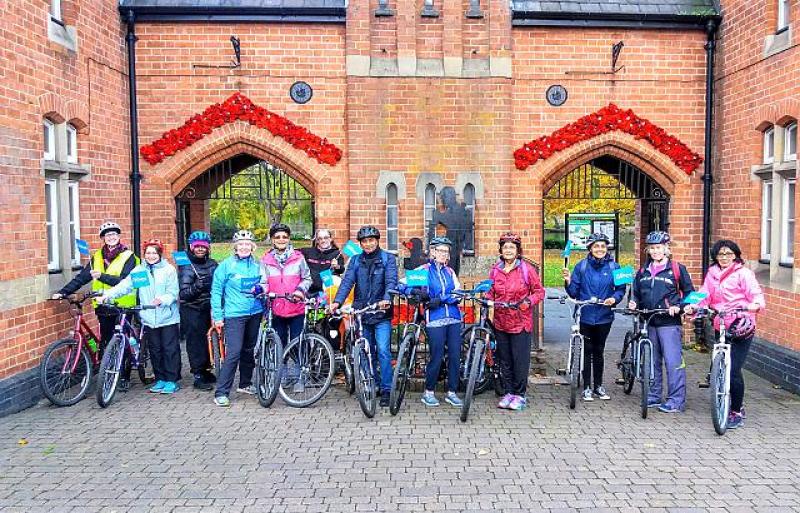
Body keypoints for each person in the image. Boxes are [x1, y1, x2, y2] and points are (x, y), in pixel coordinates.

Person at [684, 240, 764, 429]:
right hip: (721, 323)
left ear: (736, 255)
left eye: (729, 254)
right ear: (715, 257)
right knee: (721, 363)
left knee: (734, 370)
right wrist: (691, 305)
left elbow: (756, 294)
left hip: (741, 324)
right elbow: (704, 293)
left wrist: (754, 305)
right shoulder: (712, 274)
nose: (725, 258)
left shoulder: (744, 273)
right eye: (721, 254)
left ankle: (736, 410)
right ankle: (718, 383)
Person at [100, 239, 181, 394]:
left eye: (154, 253)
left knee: (169, 349)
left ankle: (172, 380)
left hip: (167, 316)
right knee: (155, 349)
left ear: (159, 254)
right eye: (148, 253)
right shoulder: (139, 271)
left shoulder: (168, 270)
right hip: (149, 317)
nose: (151, 256)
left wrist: (162, 300)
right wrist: (106, 296)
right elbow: (124, 286)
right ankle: (160, 379)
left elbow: (173, 292)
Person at [329, 226, 398, 407]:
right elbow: (347, 282)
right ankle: (371, 384)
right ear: (360, 244)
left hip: (381, 312)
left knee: (383, 351)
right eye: (364, 241)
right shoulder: (356, 261)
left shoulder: (387, 259)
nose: (368, 244)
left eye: (371, 240)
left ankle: (387, 389)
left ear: (377, 240)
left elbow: (391, 281)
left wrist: (386, 299)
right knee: (368, 352)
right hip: (362, 313)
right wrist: (337, 302)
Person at [628, 231, 695, 413]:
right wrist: (633, 303)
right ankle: (654, 395)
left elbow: (690, 293)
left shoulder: (676, 269)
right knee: (652, 361)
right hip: (648, 321)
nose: (655, 251)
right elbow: (635, 292)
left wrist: (680, 307)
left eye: (659, 248)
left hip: (669, 323)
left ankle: (676, 400)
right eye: (652, 248)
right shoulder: (643, 271)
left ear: (667, 249)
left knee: (673, 362)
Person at [52, 221, 139, 352]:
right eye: (107, 235)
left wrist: (101, 276)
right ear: (103, 238)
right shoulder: (97, 256)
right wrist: (63, 292)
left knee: (121, 341)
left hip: (122, 306)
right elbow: (81, 278)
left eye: (114, 234)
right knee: (106, 339)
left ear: (119, 236)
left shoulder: (129, 256)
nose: (111, 237)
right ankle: (106, 370)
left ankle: (123, 371)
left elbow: (124, 282)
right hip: (103, 306)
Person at [400, 237, 463, 408]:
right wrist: (416, 292)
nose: (444, 254)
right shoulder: (424, 270)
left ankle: (452, 392)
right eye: (440, 251)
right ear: (432, 252)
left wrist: (441, 299)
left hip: (454, 319)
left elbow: (458, 294)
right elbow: (401, 284)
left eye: (446, 251)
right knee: (436, 355)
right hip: (434, 319)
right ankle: (429, 392)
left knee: (455, 356)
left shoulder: (450, 272)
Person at [562, 232, 626, 402]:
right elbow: (574, 293)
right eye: (596, 246)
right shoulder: (581, 267)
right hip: (585, 315)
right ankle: (587, 386)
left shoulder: (615, 267)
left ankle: (598, 386)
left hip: (605, 316)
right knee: (587, 350)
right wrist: (568, 282)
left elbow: (621, 289)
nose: (600, 249)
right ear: (590, 248)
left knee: (599, 351)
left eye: (603, 246)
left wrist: (614, 299)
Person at [487, 232, 545, 411]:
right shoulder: (495, 270)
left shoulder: (527, 270)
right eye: (505, 247)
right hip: (501, 321)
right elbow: (490, 291)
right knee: (504, 360)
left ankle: (520, 394)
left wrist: (528, 302)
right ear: (501, 250)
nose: (508, 250)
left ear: (518, 250)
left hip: (521, 322)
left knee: (519, 360)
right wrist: (487, 298)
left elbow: (539, 292)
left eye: (512, 247)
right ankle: (508, 392)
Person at [210, 230, 266, 407]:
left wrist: (260, 290)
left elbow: (264, 284)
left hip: (255, 312)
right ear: (235, 247)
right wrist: (217, 316)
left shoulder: (258, 264)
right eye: (241, 244)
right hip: (234, 314)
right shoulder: (226, 266)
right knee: (233, 352)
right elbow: (217, 291)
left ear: (252, 247)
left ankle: (245, 383)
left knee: (249, 349)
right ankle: (221, 392)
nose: (244, 247)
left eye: (247, 244)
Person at [260, 223, 312, 349]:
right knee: (279, 347)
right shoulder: (265, 260)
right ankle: (280, 369)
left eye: (284, 237)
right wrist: (261, 290)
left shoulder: (299, 258)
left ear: (289, 239)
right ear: (272, 240)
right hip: (276, 308)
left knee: (298, 347)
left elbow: (307, 278)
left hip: (296, 307)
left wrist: (300, 290)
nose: (281, 240)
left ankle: (302, 368)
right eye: (277, 237)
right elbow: (264, 282)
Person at [178, 231, 218, 391]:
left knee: (209, 340)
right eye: (197, 247)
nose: (200, 249)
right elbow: (183, 294)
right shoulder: (186, 266)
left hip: (209, 307)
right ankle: (198, 374)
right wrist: (198, 286)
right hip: (193, 309)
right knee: (196, 343)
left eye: (203, 247)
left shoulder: (213, 264)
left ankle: (207, 369)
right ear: (191, 247)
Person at [300, 228, 344, 297]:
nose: (323, 241)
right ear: (317, 241)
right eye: (320, 238)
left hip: (327, 294)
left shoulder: (337, 254)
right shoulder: (307, 252)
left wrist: (336, 266)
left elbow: (341, 270)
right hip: (308, 292)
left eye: (326, 238)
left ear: (330, 239)